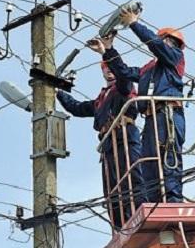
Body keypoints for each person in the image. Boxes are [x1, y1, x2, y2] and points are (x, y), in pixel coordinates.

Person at [91, 8, 186, 203]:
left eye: (165, 41)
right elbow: (124, 72)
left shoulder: (174, 58)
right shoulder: (149, 69)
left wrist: (133, 23)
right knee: (149, 162)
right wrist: (108, 49)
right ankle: (154, 202)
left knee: (167, 156)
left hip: (167, 114)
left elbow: (155, 44)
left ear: (171, 43)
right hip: (151, 118)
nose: (163, 44)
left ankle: (172, 201)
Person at [56, 58, 144, 228]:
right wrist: (58, 92)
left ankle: (139, 215)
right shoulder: (101, 99)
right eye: (106, 68)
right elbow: (77, 108)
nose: (110, 71)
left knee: (131, 178)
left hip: (124, 136)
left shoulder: (123, 86)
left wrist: (108, 53)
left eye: (112, 68)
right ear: (103, 71)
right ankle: (120, 227)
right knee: (112, 189)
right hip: (108, 143)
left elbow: (123, 77)